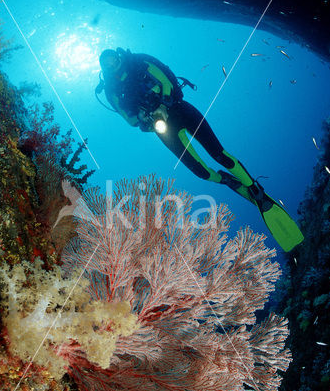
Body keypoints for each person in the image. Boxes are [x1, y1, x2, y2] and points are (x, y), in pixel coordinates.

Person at [96, 47, 303, 252]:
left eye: (113, 59)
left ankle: (254, 189)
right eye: (107, 64)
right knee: (202, 172)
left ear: (119, 55)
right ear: (103, 68)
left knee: (219, 154)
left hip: (180, 109)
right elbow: (129, 119)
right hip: (163, 129)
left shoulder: (139, 63)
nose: (112, 64)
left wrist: (163, 104)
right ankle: (226, 180)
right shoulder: (112, 89)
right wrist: (144, 118)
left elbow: (167, 81)